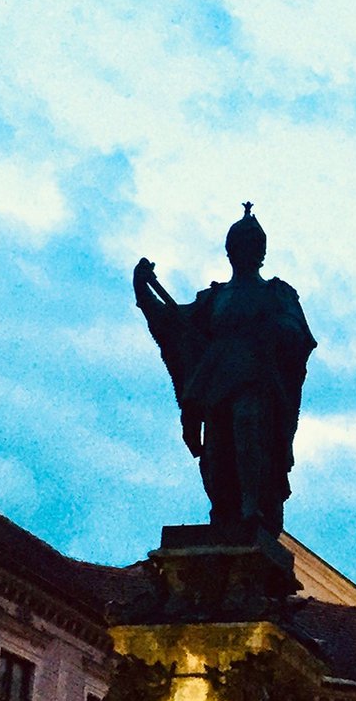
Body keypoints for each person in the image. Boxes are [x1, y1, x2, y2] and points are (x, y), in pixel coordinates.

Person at [133, 204, 316, 534]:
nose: (246, 252)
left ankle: (252, 506)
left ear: (260, 252)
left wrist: (272, 331)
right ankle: (224, 510)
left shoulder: (277, 293)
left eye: (252, 246)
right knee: (216, 451)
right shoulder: (214, 298)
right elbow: (174, 324)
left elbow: (297, 333)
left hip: (254, 382)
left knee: (248, 433)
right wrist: (142, 288)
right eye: (240, 246)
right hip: (217, 385)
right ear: (231, 251)